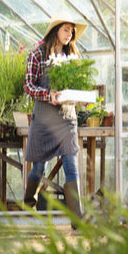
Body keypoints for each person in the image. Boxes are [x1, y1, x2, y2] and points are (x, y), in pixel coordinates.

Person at [23, 15, 88, 227]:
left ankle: (77, 219)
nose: (70, 34)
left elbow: (79, 87)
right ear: (56, 30)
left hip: (67, 120)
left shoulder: (74, 57)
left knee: (71, 165)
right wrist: (47, 94)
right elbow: (29, 86)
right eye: (66, 30)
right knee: (38, 169)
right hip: (43, 121)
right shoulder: (38, 55)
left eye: (72, 31)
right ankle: (28, 202)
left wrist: (82, 99)